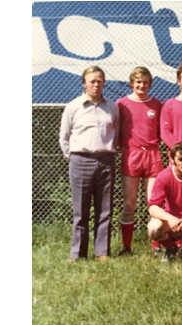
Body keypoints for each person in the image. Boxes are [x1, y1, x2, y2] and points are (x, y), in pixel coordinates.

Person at [59, 66, 118, 262]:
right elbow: (64, 136)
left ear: (104, 83)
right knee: (81, 211)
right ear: (84, 83)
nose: (96, 84)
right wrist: (73, 157)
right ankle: (78, 253)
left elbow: (116, 134)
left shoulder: (112, 107)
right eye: (92, 81)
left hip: (105, 161)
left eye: (99, 81)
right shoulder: (73, 107)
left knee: (105, 210)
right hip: (80, 161)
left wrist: (108, 153)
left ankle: (102, 252)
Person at [116, 67, 164, 256]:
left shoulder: (156, 104)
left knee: (154, 203)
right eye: (138, 82)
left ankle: (156, 246)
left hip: (152, 155)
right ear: (132, 83)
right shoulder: (122, 103)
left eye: (145, 82)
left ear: (150, 83)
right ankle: (127, 247)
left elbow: (161, 131)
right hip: (132, 155)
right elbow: (117, 131)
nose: (141, 85)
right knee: (129, 203)